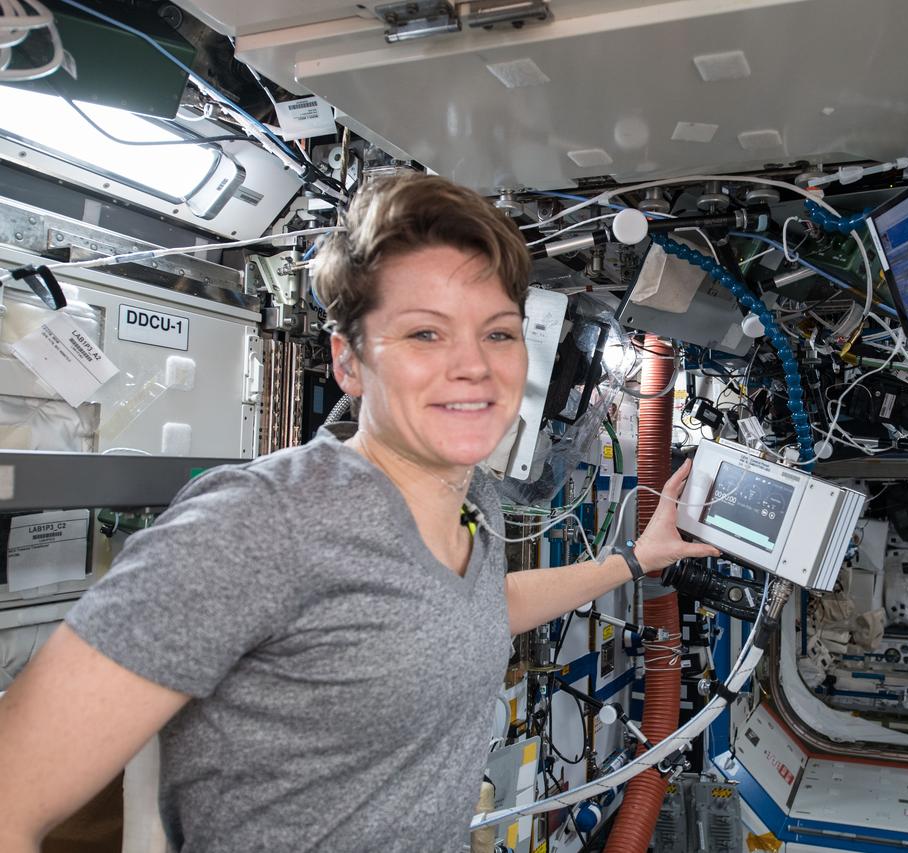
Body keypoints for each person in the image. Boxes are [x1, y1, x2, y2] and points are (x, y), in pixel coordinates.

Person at [0, 173, 718, 852]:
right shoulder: (263, 524)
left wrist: (634, 560)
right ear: (349, 362)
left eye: (498, 332)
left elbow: (477, 605)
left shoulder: (474, 506)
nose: (474, 365)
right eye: (425, 333)